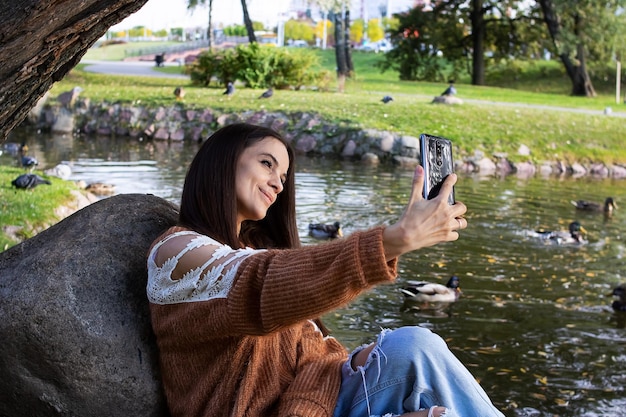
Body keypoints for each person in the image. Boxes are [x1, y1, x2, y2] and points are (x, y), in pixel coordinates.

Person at [147, 123, 505, 417]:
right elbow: (258, 282)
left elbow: (312, 361)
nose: (278, 183)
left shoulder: (257, 251)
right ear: (222, 162)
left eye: (284, 176)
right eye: (267, 164)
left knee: (412, 346)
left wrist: (351, 363)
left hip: (320, 400)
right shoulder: (178, 252)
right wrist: (393, 241)